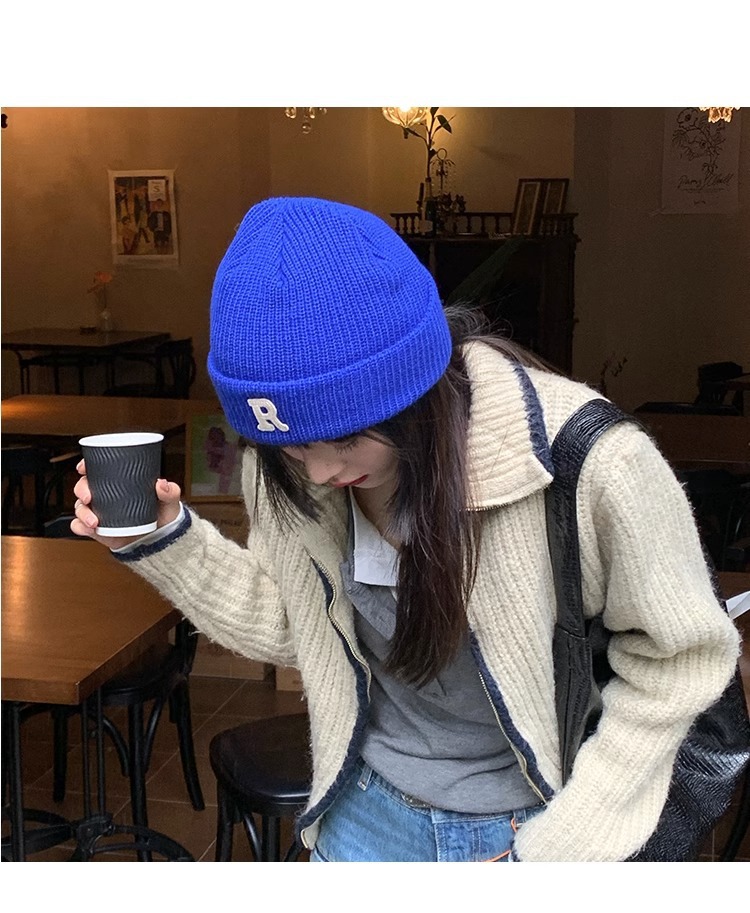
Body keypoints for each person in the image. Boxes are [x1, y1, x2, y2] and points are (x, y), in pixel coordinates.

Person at [71, 196, 740, 862]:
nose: (322, 469)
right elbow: (292, 623)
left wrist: (560, 853)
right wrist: (163, 539)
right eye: (294, 444)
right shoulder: (285, 467)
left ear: (411, 387)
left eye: (344, 436)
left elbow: (680, 661)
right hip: (361, 815)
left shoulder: (588, 462)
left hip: (536, 824)